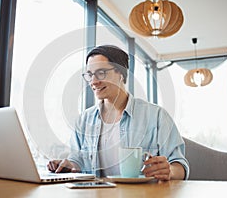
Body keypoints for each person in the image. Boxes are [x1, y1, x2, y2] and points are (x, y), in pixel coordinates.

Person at [48, 45, 189, 180]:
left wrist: (169, 171)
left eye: (101, 73)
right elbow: (77, 159)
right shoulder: (84, 120)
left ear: (121, 73)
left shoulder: (157, 116)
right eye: (90, 75)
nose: (93, 81)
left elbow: (180, 166)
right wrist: (68, 165)